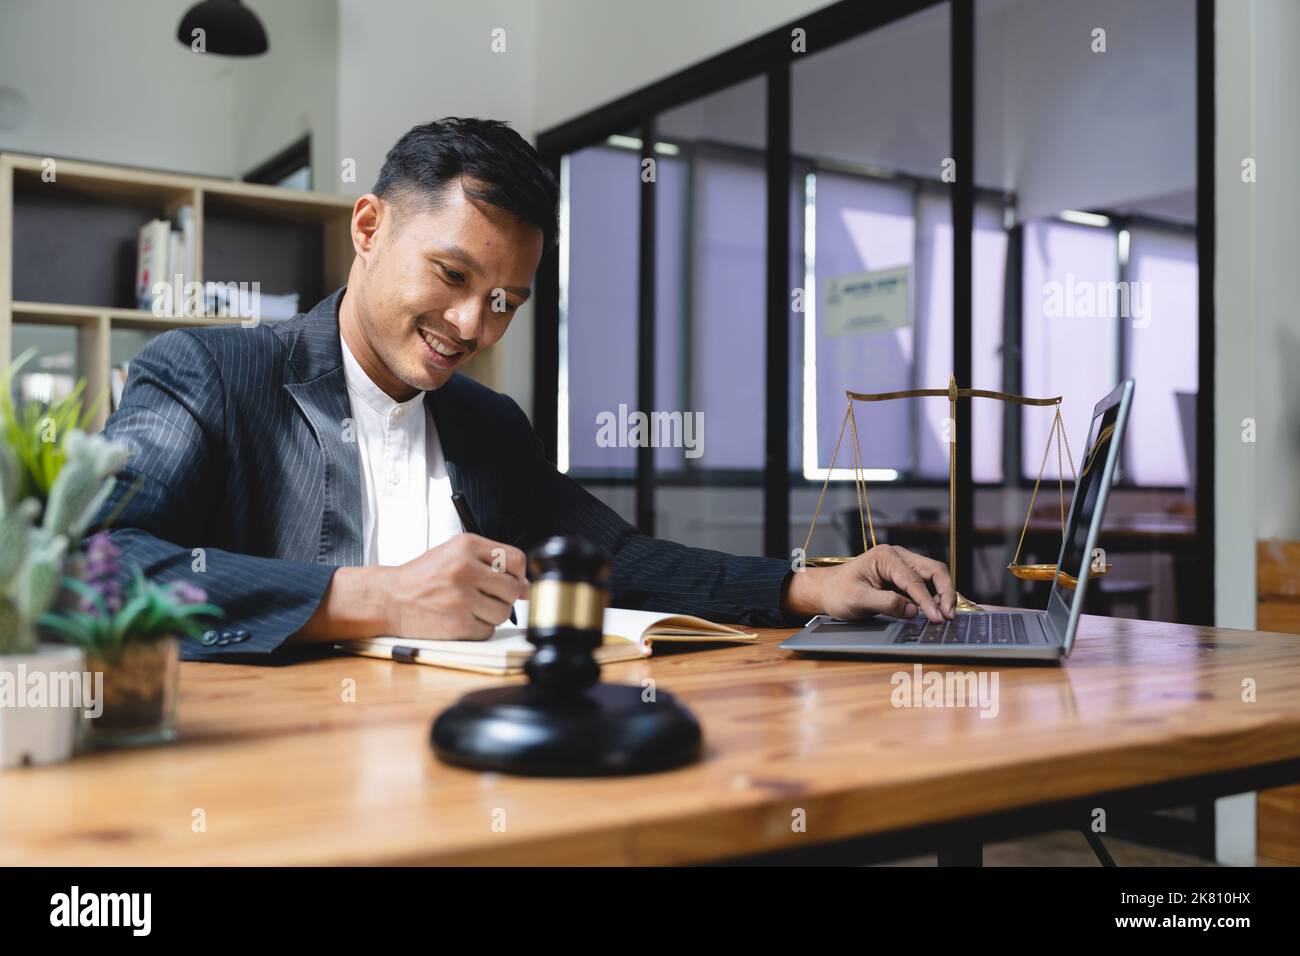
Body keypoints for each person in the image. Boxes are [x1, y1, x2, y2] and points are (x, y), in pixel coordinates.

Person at [99, 118, 955, 661]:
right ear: (369, 228)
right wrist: (378, 597)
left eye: (506, 300)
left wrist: (812, 584)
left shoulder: (486, 422)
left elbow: (615, 559)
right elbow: (98, 566)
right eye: (452, 274)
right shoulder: (208, 375)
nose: (473, 326)